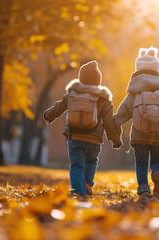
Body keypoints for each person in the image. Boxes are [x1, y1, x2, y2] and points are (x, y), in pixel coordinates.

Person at [114, 47, 159, 196]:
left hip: (139, 134)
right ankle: (157, 172)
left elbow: (119, 116)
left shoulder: (134, 91)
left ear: (138, 68)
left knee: (141, 163)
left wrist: (114, 135)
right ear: (157, 69)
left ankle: (143, 188)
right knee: (157, 161)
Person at [44, 61, 122, 196]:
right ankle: (87, 185)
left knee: (77, 164)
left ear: (81, 78)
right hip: (94, 139)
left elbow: (58, 108)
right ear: (98, 81)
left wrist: (48, 115)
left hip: (75, 137)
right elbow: (109, 122)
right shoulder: (103, 99)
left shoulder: (72, 94)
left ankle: (78, 191)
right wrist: (116, 140)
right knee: (91, 161)